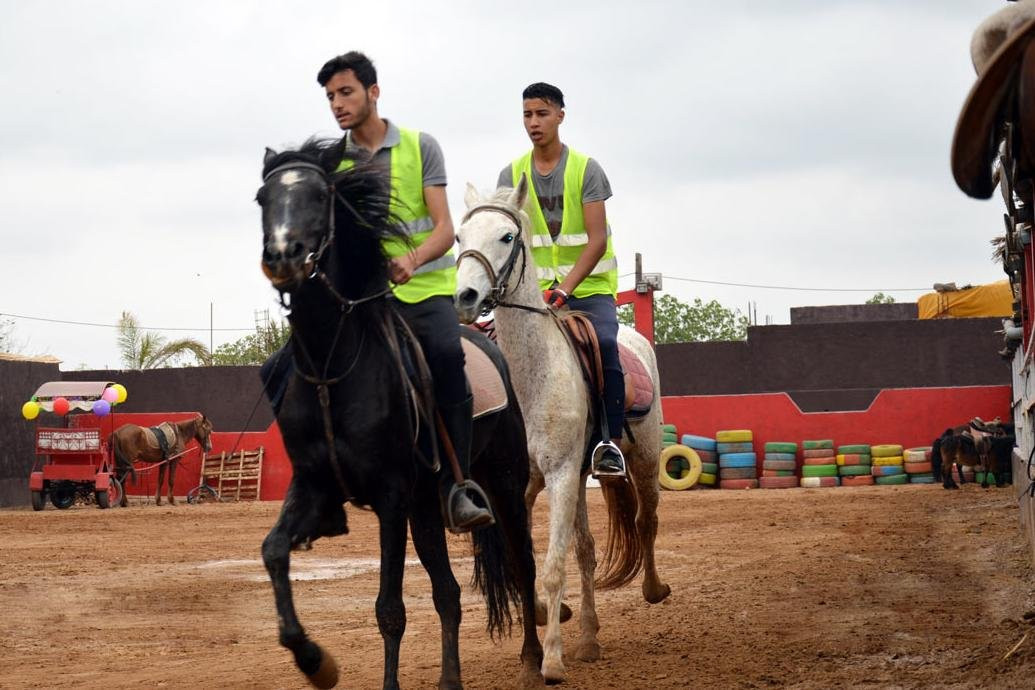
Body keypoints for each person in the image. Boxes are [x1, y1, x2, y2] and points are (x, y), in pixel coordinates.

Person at [267, 51, 491, 531]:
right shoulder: (333, 161)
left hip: (427, 290)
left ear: (373, 92)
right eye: (329, 97)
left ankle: (458, 485)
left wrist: (411, 259)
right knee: (278, 369)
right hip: (362, 302)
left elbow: (445, 228)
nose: (337, 104)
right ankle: (317, 485)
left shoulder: (419, 146)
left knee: (447, 357)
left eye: (345, 92)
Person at [496, 82, 626, 477]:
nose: (533, 123)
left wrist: (565, 289)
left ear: (560, 116)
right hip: (531, 298)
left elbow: (597, 239)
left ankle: (608, 442)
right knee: (493, 355)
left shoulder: (587, 170)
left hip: (587, 291)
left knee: (604, 344)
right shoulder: (510, 173)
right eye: (527, 114)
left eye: (541, 113)